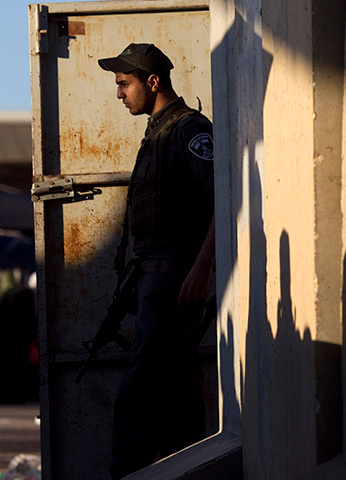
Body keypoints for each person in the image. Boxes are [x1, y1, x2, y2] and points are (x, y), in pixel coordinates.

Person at [97, 43, 216, 479]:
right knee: (178, 392)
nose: (119, 93)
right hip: (158, 279)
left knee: (139, 390)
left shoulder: (187, 129)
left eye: (124, 83)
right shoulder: (157, 132)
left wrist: (202, 268)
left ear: (152, 82)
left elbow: (224, 197)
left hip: (174, 281)